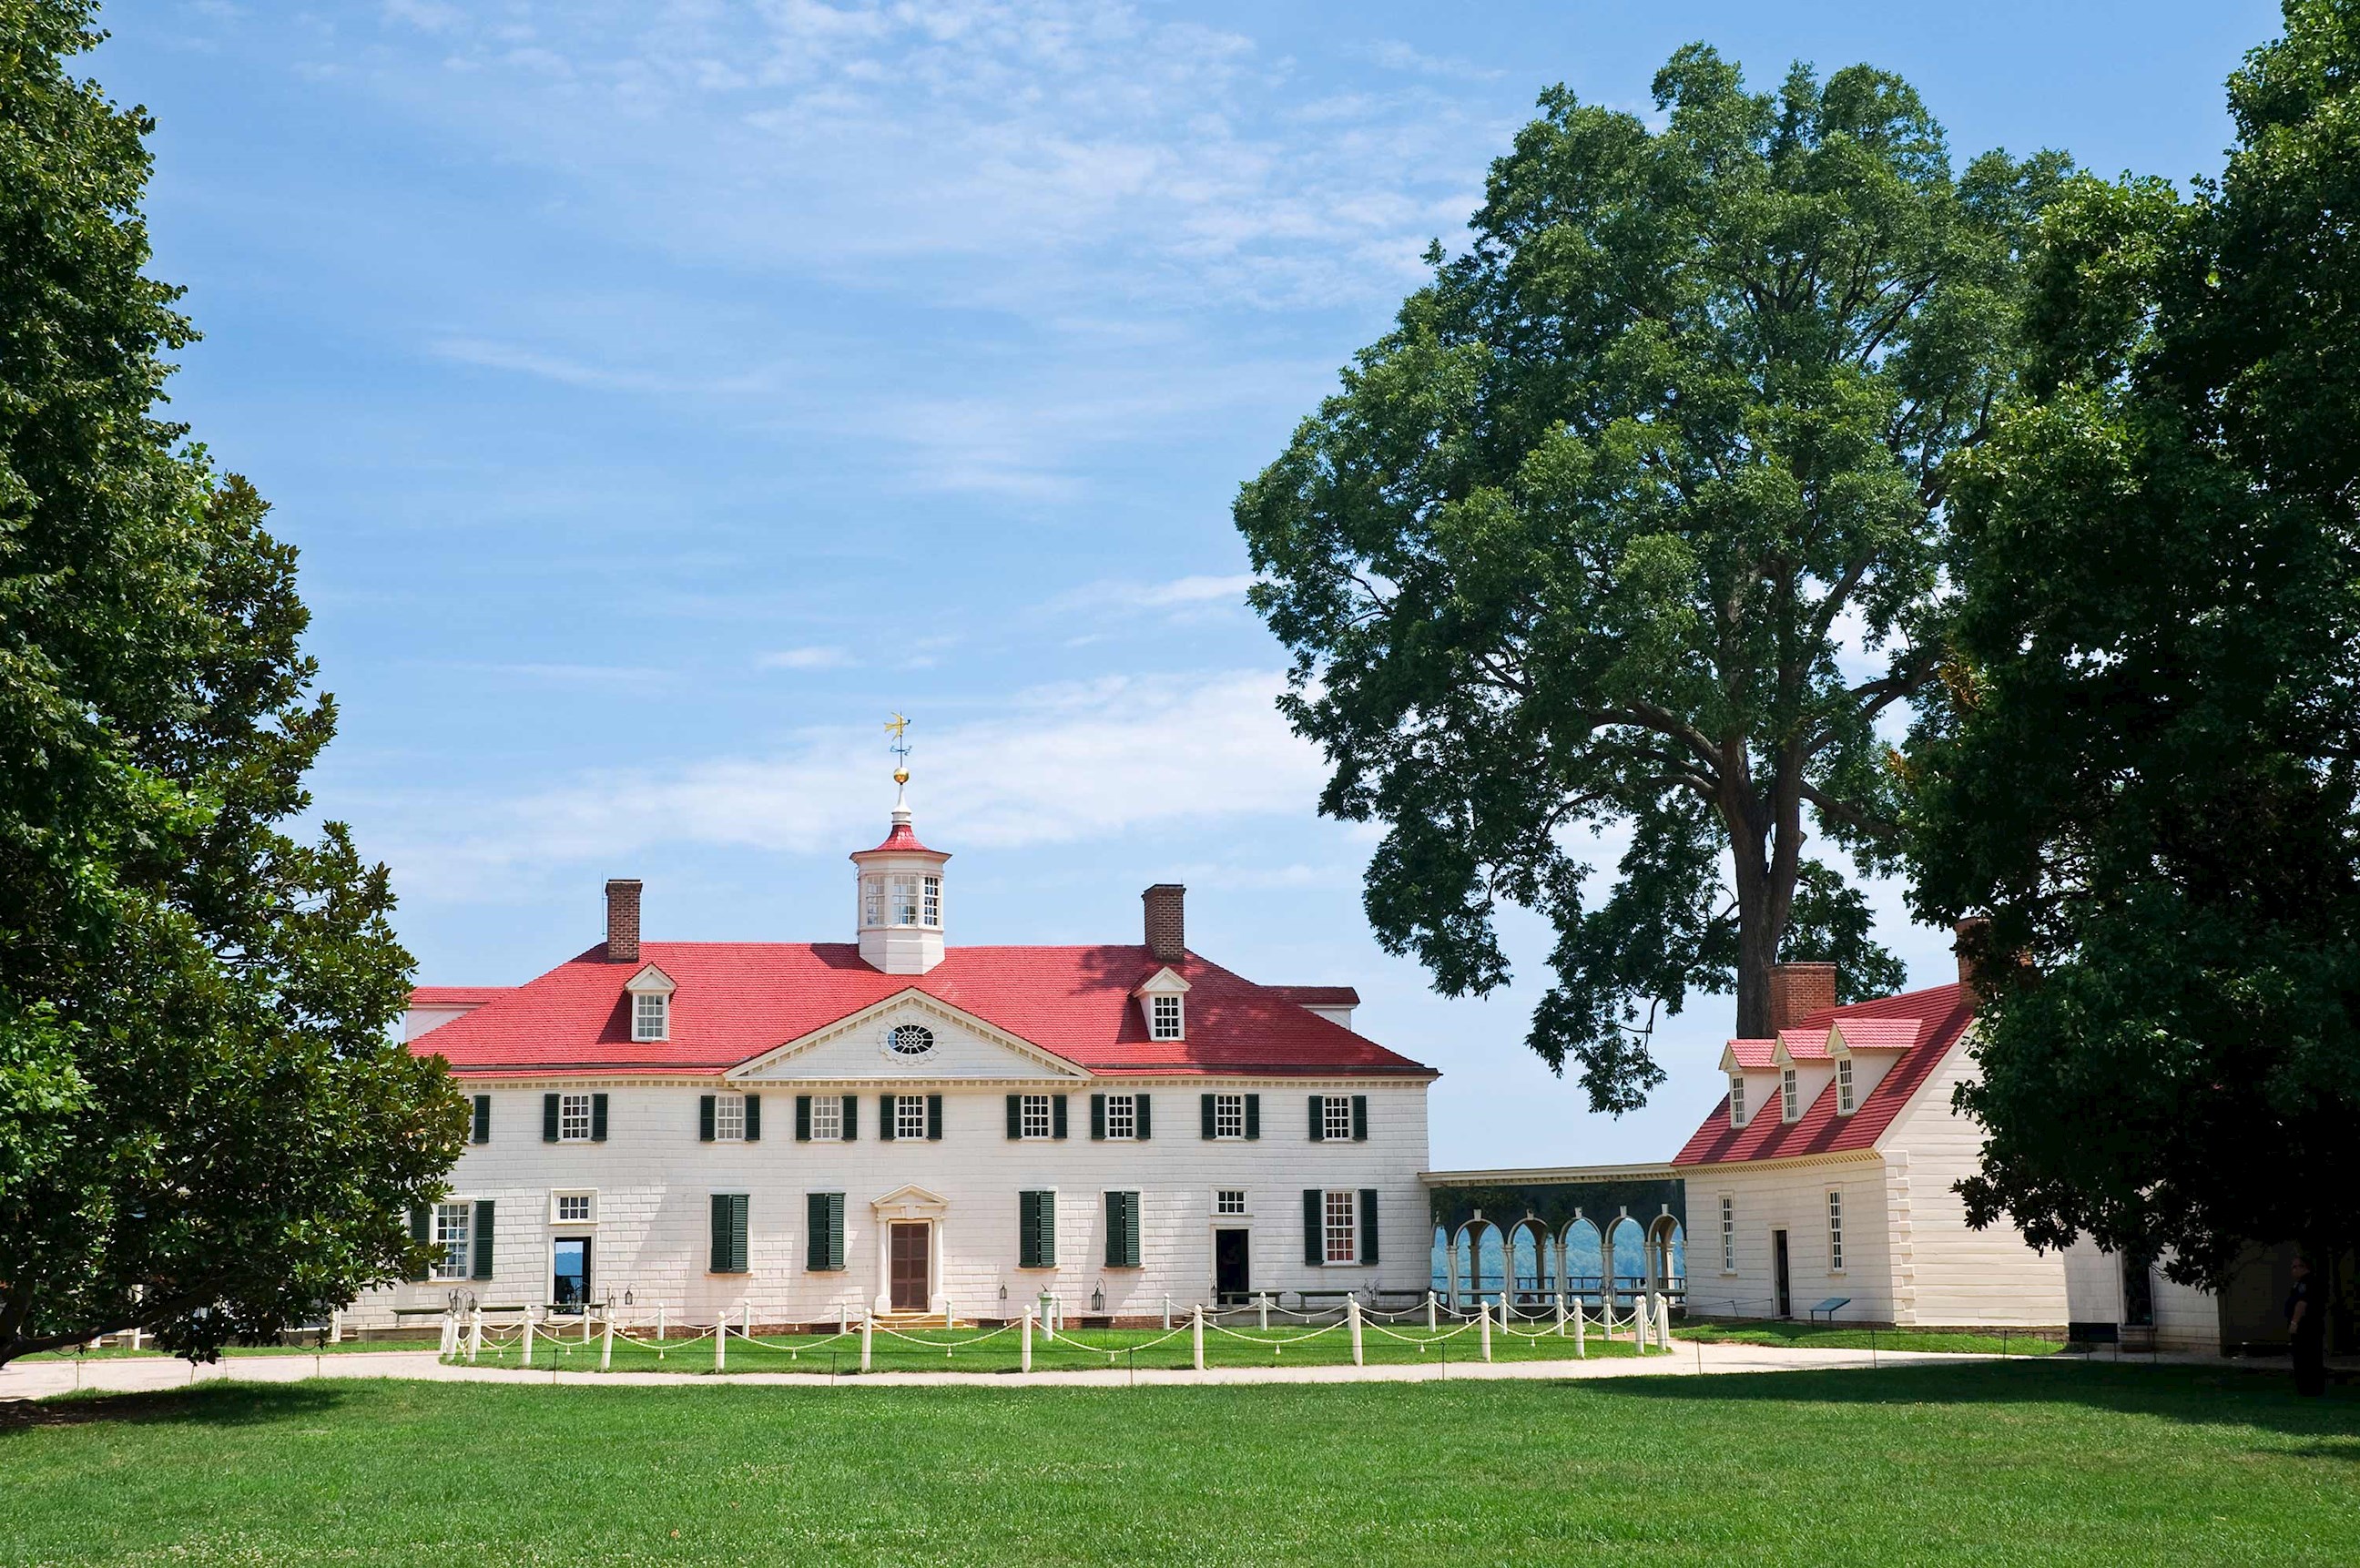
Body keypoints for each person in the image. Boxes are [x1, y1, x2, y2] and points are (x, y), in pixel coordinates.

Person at [2285, 1256, 2326, 1397]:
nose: (2293, 1270)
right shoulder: (2301, 1283)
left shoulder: (2307, 1283)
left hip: (2306, 1327)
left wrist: (2294, 1323)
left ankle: (2309, 1388)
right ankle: (2310, 1387)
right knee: (2308, 1357)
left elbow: (2301, 1304)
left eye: (2296, 1267)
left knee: (2306, 1358)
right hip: (2309, 1327)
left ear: (2304, 1267)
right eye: (2292, 1267)